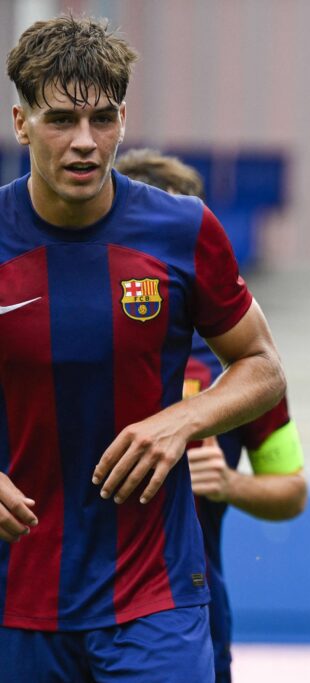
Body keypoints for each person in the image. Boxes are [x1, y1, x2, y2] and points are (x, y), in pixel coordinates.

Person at [0, 15, 285, 682]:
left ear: (124, 120)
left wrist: (184, 417)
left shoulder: (182, 230)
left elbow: (263, 367)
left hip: (153, 597)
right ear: (20, 122)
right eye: (61, 120)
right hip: (15, 597)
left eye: (102, 119)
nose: (84, 142)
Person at [116, 148, 308, 683]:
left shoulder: (242, 369)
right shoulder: (67, 344)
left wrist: (230, 485)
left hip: (191, 604)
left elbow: (291, 489)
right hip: (56, 600)